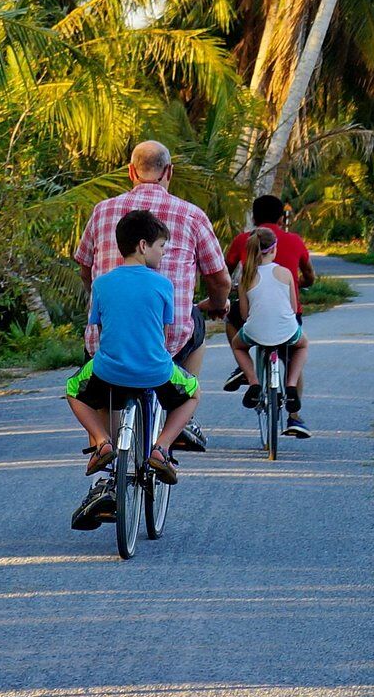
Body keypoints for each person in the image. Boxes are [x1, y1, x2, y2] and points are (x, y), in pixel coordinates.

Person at [74, 141, 228, 451]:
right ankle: (179, 415)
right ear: (169, 171)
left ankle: (103, 448)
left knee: (94, 382)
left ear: (131, 172)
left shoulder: (103, 210)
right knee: (194, 322)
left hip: (108, 346)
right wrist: (216, 304)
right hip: (163, 348)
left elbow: (85, 268)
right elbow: (219, 279)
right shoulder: (191, 215)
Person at [66, 210, 203, 528]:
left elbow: (98, 328)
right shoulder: (163, 285)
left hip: (109, 371)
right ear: (143, 245)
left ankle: (102, 442)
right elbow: (165, 332)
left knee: (74, 390)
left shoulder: (102, 283)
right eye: (161, 247)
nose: (163, 253)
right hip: (155, 370)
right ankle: (162, 448)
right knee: (193, 392)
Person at [223, 193, 314, 392]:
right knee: (292, 360)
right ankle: (295, 416)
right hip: (287, 316)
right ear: (281, 219)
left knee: (231, 321)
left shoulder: (242, 241)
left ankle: (244, 369)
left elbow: (224, 275)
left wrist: (234, 291)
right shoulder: (295, 241)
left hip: (252, 314)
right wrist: (297, 284)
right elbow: (309, 276)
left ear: (254, 219)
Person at [231, 225, 312, 438]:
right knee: (302, 345)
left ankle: (254, 382)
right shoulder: (285, 273)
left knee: (237, 345)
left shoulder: (246, 277)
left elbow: (244, 314)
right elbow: (294, 309)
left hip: (255, 331)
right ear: (274, 249)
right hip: (286, 331)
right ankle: (292, 385)